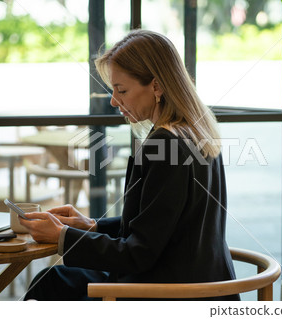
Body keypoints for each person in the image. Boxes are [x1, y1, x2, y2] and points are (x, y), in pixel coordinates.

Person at [21, 29, 239, 301]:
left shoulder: (165, 145)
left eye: (121, 90)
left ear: (157, 86)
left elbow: (139, 254)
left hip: (169, 295)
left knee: (53, 282)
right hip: (201, 285)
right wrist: (92, 226)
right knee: (56, 279)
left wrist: (64, 236)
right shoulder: (196, 132)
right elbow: (160, 223)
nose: (114, 101)